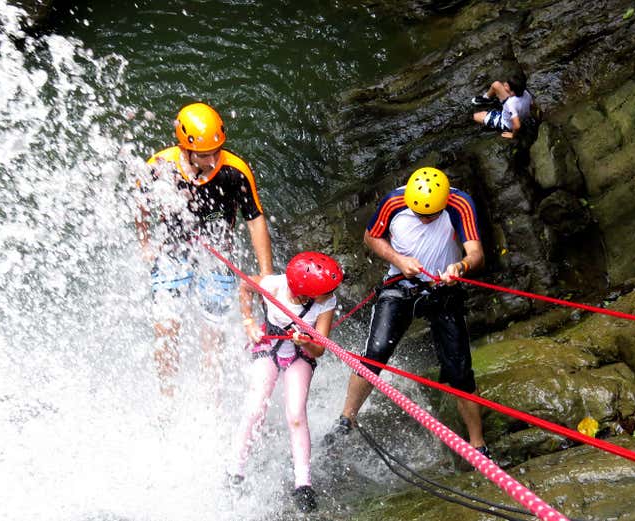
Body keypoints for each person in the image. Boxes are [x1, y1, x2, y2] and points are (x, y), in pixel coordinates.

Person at [323, 167, 489, 459]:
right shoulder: (394, 202)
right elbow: (371, 237)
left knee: (460, 372)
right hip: (400, 284)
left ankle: (478, 446)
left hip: (443, 288)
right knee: (374, 353)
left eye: (430, 216)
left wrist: (460, 267)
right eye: (419, 214)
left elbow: (476, 253)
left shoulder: (460, 204)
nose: (424, 219)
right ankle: (347, 418)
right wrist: (399, 259)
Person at [135, 102, 274, 395]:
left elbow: (255, 219)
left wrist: (266, 274)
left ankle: (211, 402)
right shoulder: (159, 167)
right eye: (204, 154)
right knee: (166, 329)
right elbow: (140, 206)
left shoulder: (235, 172)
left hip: (217, 257)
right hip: (172, 254)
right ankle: (167, 397)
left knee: (213, 335)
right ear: (184, 148)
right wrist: (146, 243)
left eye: (216, 152)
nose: (212, 160)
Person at [228, 252, 343, 513]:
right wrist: (248, 322)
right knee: (255, 408)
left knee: (295, 415)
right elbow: (245, 286)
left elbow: (320, 348)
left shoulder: (326, 301)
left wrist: (307, 343)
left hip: (301, 353)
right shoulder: (273, 285)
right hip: (269, 345)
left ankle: (303, 484)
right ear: (304, 292)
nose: (329, 293)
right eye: (324, 290)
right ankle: (235, 470)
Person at [471, 74, 533, 139]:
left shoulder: (511, 104)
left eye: (507, 85)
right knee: (496, 85)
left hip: (506, 123)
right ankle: (486, 99)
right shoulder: (526, 93)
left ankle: (499, 123)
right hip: (514, 107)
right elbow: (532, 105)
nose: (504, 84)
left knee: (475, 116)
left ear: (512, 92)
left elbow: (517, 126)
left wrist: (513, 135)